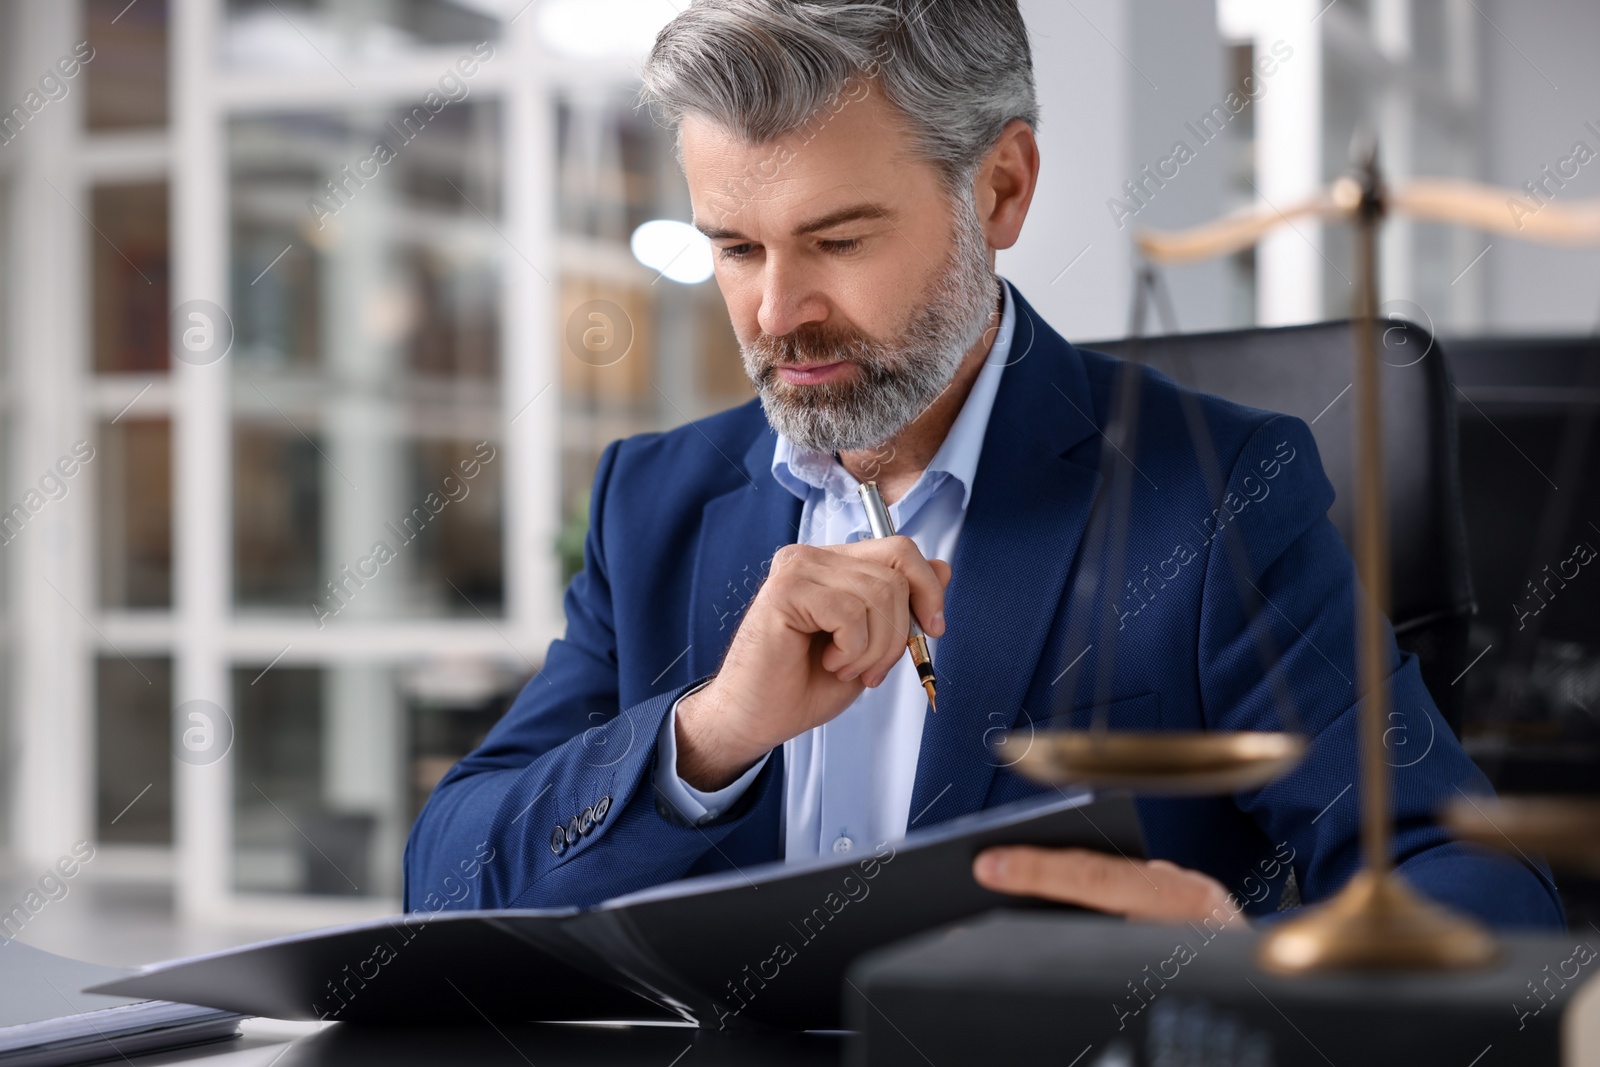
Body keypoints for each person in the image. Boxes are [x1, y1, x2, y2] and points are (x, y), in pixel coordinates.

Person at [404, 0, 1561, 928]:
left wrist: (1237, 966)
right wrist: (705, 738)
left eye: (839, 239)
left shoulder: (1218, 492)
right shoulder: (651, 501)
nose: (775, 311)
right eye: (734, 247)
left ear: (1000, 188)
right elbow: (445, 881)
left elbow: (1480, 887)